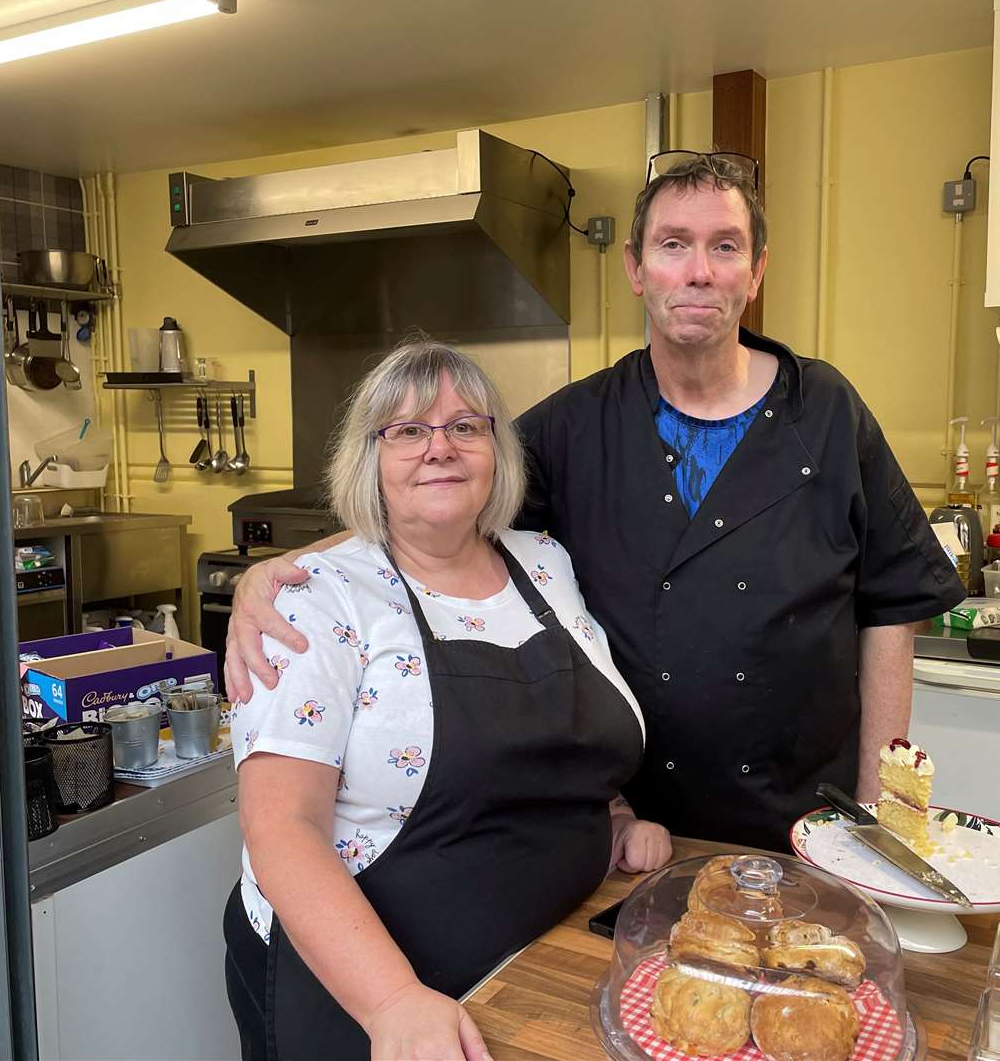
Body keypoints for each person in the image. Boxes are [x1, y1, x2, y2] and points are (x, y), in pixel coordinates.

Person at [225, 152, 965, 854]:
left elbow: (893, 605)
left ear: (757, 270)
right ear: (636, 269)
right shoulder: (576, 424)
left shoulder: (827, 411)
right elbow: (438, 509)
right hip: (628, 826)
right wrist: (285, 568)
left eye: (726, 247)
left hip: (809, 821)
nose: (699, 271)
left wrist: (881, 821)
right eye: (673, 245)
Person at [224, 340, 669, 1061]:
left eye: (466, 426)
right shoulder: (317, 599)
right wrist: (392, 1001)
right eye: (407, 431)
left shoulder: (544, 562)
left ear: (497, 450)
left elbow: (566, 729)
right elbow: (281, 830)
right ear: (370, 458)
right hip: (367, 987)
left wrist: (609, 811)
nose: (441, 447)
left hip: (541, 960)